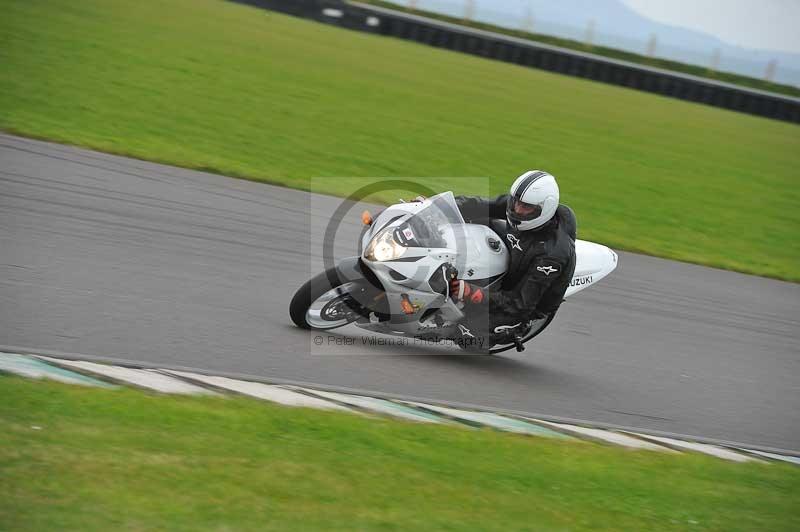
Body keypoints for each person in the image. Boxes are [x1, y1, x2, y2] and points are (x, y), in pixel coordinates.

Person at [451, 170, 577, 346]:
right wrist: (433, 205)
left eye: (525, 207)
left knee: (463, 333)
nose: (517, 209)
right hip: (518, 253)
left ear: (544, 209)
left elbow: (519, 303)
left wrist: (471, 292)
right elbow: (477, 204)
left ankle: (517, 328)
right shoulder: (522, 207)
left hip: (524, 302)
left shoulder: (552, 254)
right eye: (515, 202)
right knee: (474, 219)